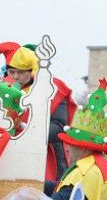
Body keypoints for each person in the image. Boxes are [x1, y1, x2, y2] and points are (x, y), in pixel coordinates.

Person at [50, 79, 107, 200]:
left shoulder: (85, 171)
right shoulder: (106, 165)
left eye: (71, 144)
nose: (67, 148)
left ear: (83, 148)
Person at [5, 45, 77, 182]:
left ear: (32, 70)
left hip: (44, 156)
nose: (15, 77)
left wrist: (26, 129)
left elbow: (58, 127)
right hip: (9, 154)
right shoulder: (4, 88)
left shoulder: (54, 89)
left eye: (20, 72)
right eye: (11, 72)